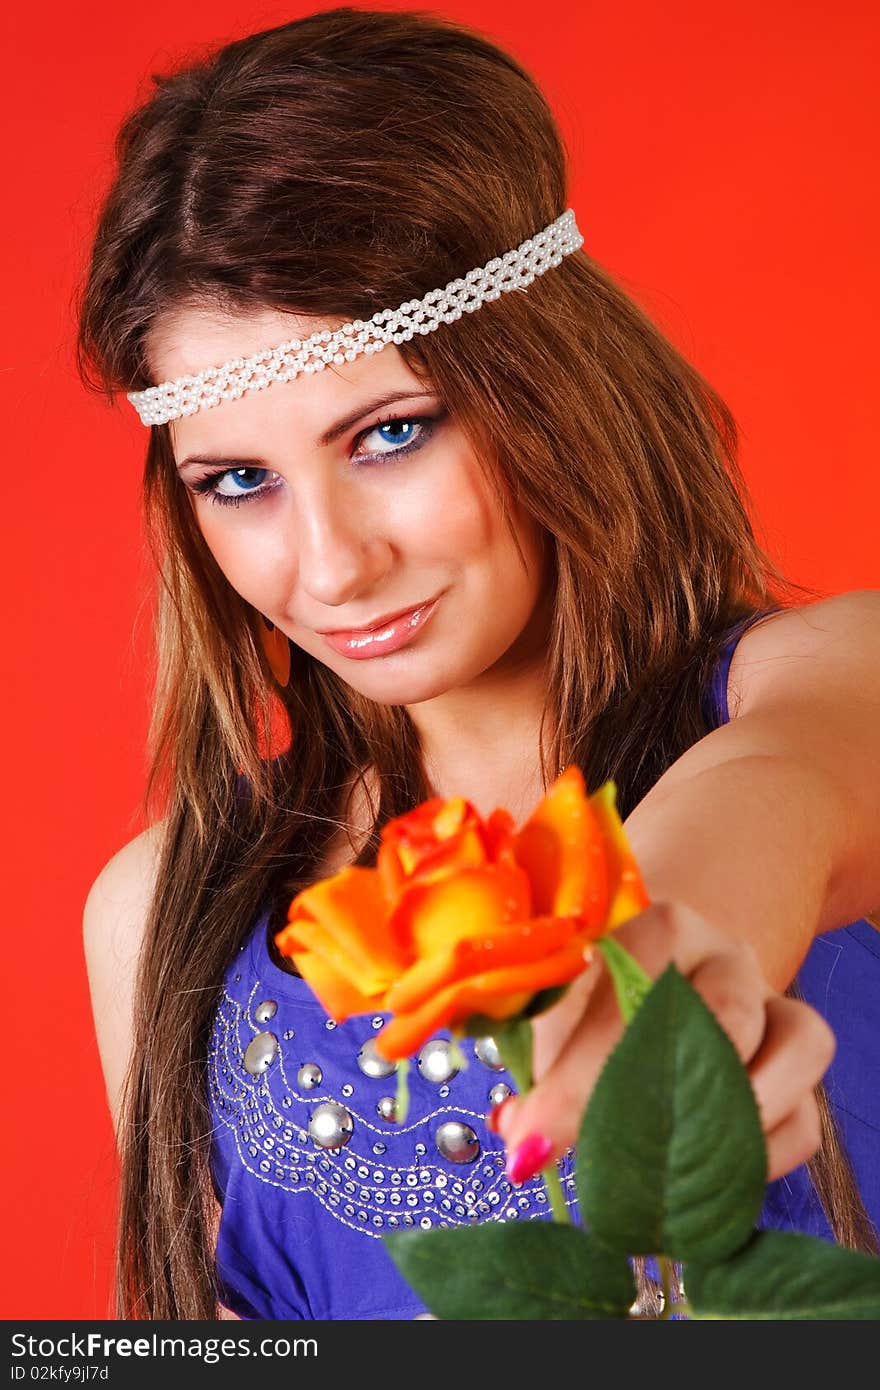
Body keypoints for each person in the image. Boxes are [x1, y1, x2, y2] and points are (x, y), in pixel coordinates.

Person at [78, 7, 879, 1321]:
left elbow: (783, 789)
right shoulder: (165, 916)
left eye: (391, 434)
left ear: (546, 384)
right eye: (238, 480)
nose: (329, 567)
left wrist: (669, 947)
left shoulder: (831, 674)